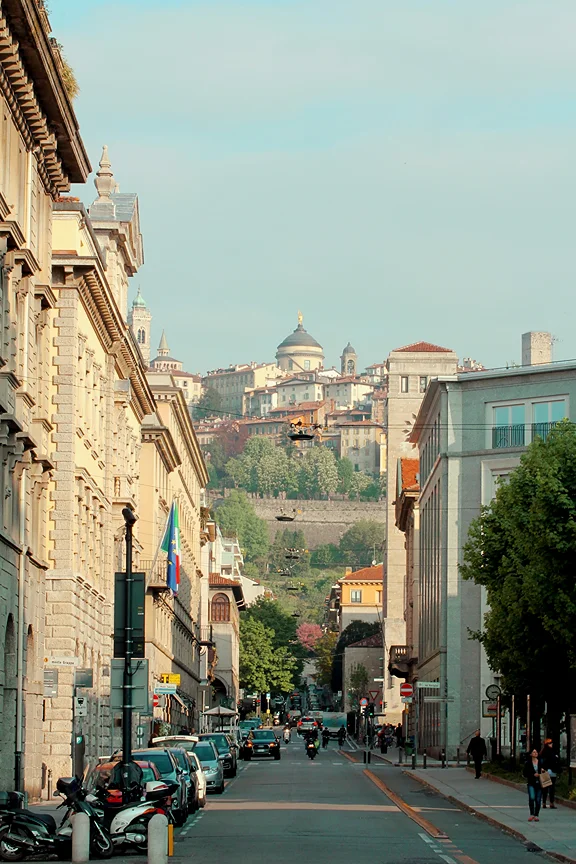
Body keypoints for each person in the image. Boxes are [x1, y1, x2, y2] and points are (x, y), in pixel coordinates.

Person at [540, 738, 560, 809]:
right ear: (547, 744)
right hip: (549, 771)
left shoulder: (543, 752)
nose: (551, 745)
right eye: (550, 744)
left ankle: (545, 803)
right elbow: (554, 761)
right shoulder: (550, 752)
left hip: (545, 771)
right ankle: (550, 803)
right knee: (551, 788)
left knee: (546, 788)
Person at [524, 749, 543, 822]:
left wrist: (542, 772)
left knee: (538, 799)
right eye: (534, 752)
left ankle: (536, 815)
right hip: (531, 783)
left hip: (539, 783)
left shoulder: (541, 762)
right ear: (531, 754)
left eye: (536, 752)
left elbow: (545, 771)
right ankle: (532, 814)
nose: (535, 753)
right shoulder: (528, 763)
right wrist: (532, 775)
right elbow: (525, 773)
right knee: (532, 797)